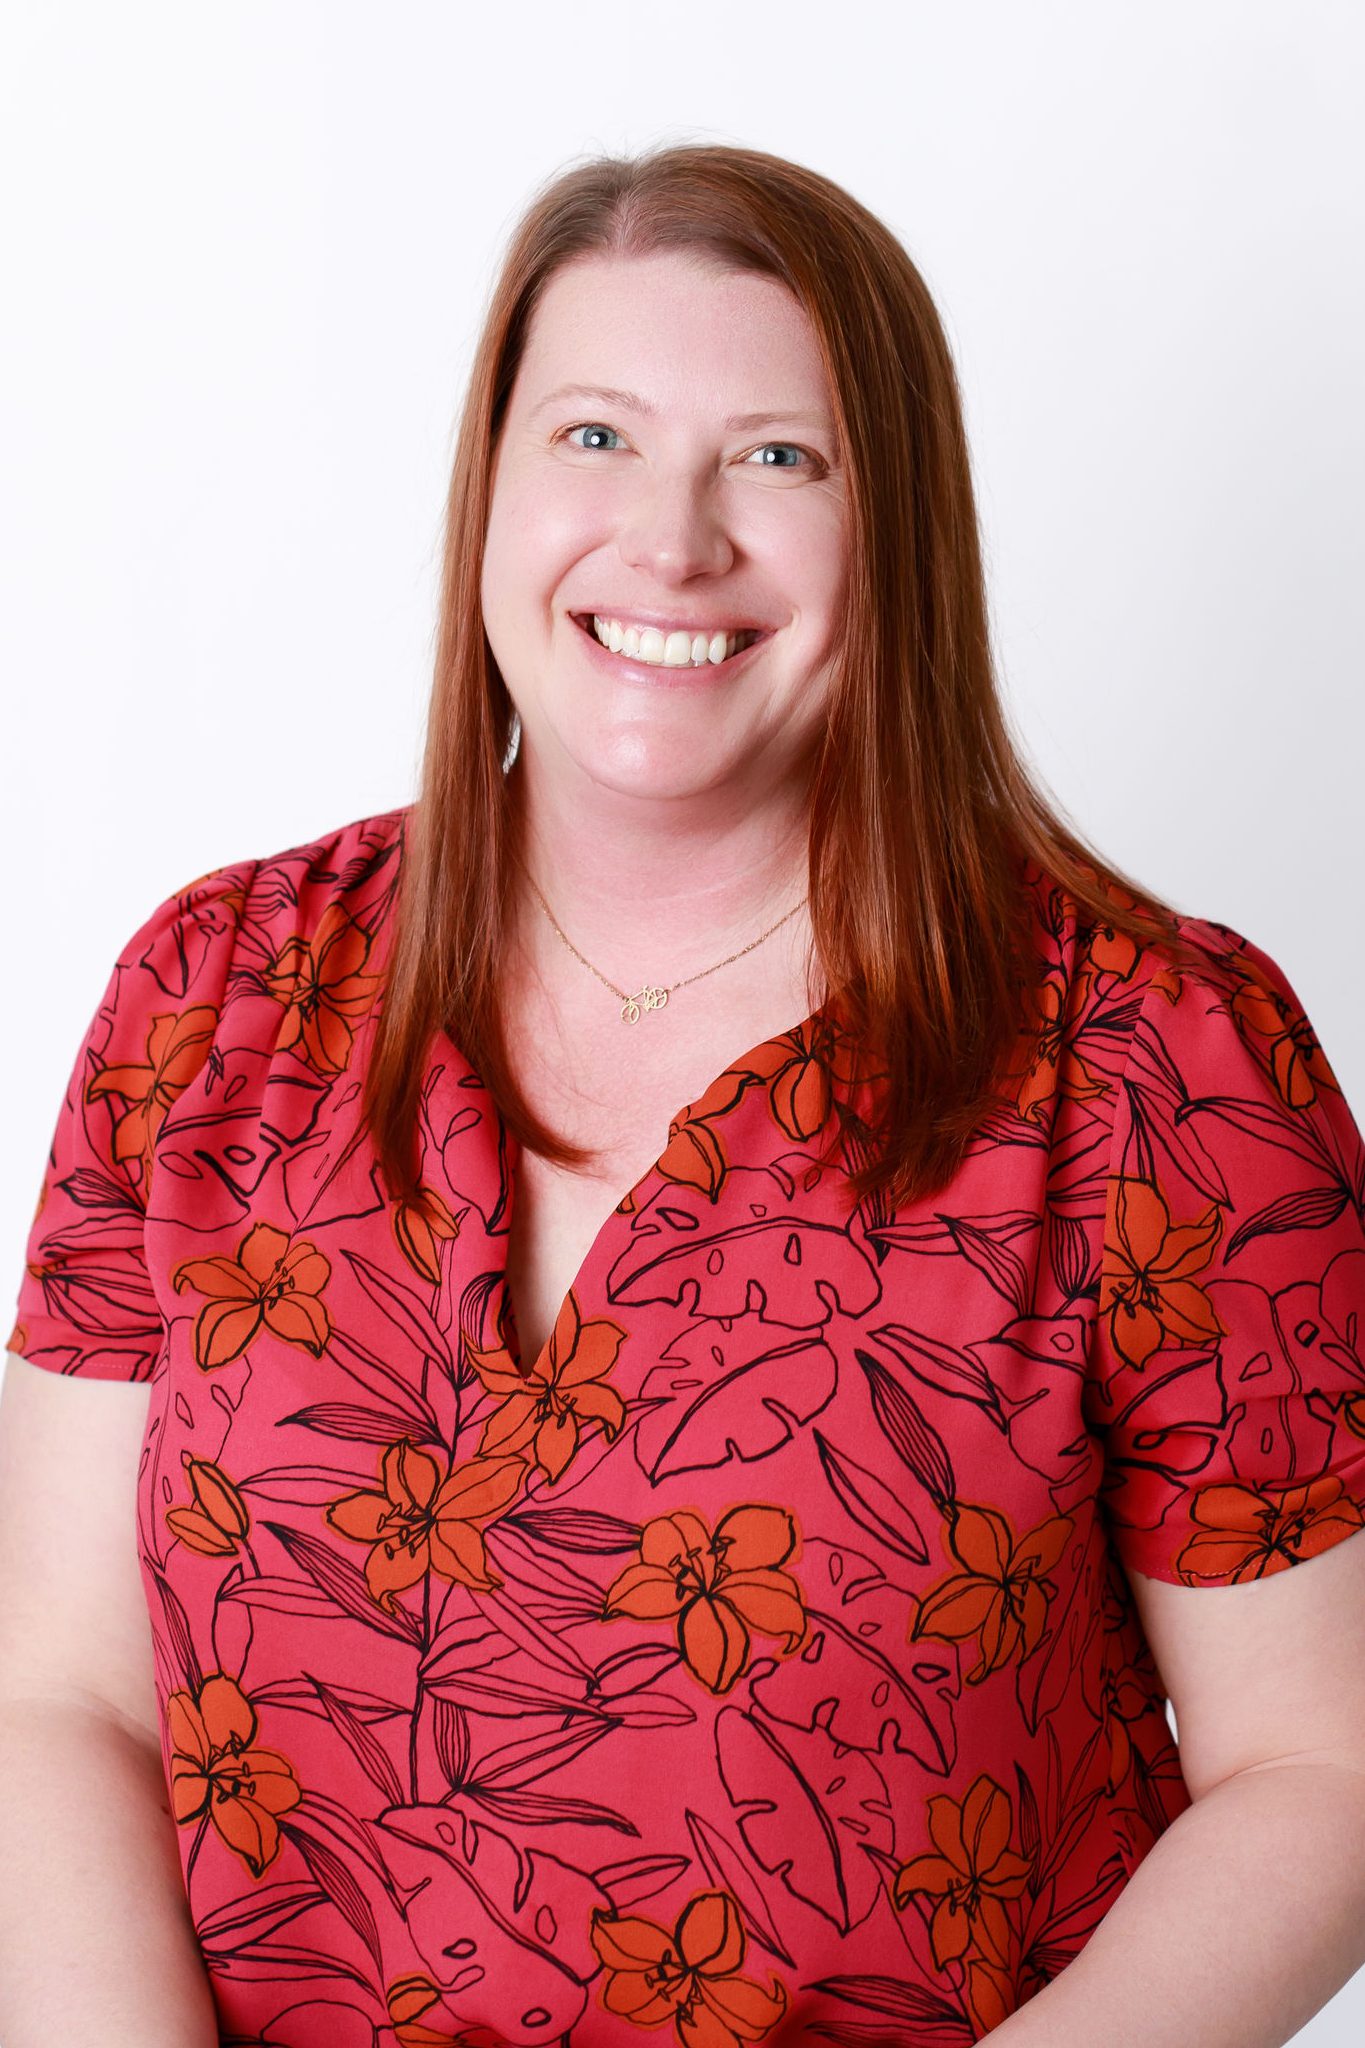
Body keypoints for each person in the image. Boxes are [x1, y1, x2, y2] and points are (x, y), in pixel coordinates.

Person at [3, 142, 1365, 2048]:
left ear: (900, 526)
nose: (673, 538)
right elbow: (57, 1694)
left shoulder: (1160, 1060)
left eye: (779, 459)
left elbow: (1318, 1771)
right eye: (592, 438)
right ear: (486, 493)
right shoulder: (212, 993)